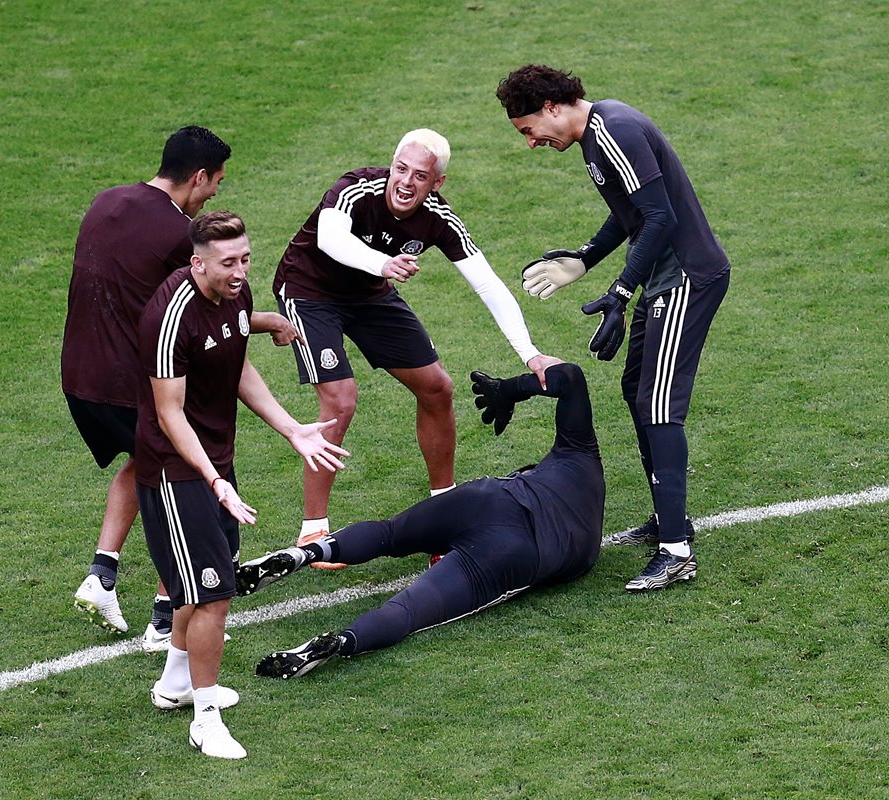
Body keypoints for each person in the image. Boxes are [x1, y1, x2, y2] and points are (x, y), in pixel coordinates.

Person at [272, 128, 561, 567]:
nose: (405, 182)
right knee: (340, 400)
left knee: (437, 388)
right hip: (310, 292)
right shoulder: (354, 189)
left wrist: (530, 353)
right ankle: (314, 528)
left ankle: (442, 517)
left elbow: (487, 284)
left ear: (436, 183)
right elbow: (331, 239)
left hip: (369, 296)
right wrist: (382, 264)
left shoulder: (440, 220)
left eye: (419, 176)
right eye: (400, 169)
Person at [495, 64, 730, 592]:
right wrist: (584, 259)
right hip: (664, 279)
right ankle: (669, 519)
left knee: (657, 404)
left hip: (687, 277)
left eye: (529, 129)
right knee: (635, 389)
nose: (531, 143)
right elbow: (630, 215)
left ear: (552, 107)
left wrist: (621, 293)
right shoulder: (598, 135)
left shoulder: (613, 130)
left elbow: (661, 217)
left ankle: (676, 551)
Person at [61, 126, 294, 649]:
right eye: (216, 183)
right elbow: (202, 319)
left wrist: (260, 320)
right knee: (179, 476)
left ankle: (102, 574)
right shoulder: (180, 238)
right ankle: (166, 618)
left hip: (78, 377)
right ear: (198, 176)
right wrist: (267, 321)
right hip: (134, 381)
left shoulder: (107, 201)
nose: (215, 193)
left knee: (142, 463)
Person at [135, 211, 347, 758]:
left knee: (207, 581)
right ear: (196, 262)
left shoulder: (234, 294)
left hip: (214, 464)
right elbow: (170, 414)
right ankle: (204, 719)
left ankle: (177, 683)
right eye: (228, 262)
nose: (240, 271)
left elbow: (237, 362)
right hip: (175, 470)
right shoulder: (170, 318)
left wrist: (292, 428)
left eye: (246, 258)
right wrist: (213, 481)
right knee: (214, 594)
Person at [237, 361, 602, 678]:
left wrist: (509, 389)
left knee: (389, 533)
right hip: (518, 552)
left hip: (488, 498)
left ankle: (305, 553)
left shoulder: (579, 453)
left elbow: (569, 376)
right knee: (409, 611)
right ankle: (342, 643)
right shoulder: (586, 552)